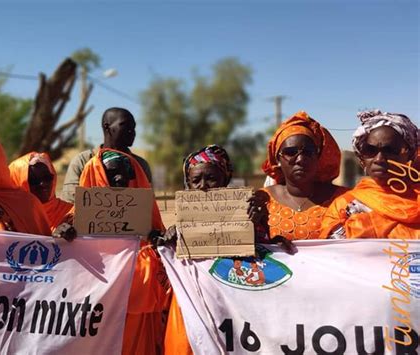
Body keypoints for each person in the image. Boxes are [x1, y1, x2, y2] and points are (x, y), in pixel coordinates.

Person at [164, 144, 264, 355]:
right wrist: (169, 240)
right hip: (192, 305)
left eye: (211, 178)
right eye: (195, 181)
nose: (203, 186)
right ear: (187, 184)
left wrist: (252, 228)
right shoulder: (180, 222)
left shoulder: (246, 211)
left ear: (225, 179)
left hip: (231, 305)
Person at [79, 148, 168, 355]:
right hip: (98, 314)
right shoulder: (74, 222)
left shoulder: (149, 220)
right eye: (111, 173)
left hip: (138, 317)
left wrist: (160, 245)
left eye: (125, 173)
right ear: (97, 175)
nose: (119, 178)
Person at [320, 110, 420, 238]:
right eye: (370, 150)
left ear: (409, 155)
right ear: (362, 159)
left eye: (389, 150)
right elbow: (329, 255)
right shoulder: (344, 205)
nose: (379, 159)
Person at [257, 111, 348, 240]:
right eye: (290, 152)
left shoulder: (345, 200)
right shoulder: (263, 200)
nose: (300, 159)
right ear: (278, 158)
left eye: (308, 152)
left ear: (318, 157)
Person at [61, 107, 152, 203]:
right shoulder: (82, 161)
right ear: (107, 127)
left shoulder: (141, 165)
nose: (132, 131)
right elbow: (70, 203)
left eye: (133, 127)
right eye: (125, 126)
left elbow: (147, 205)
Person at [9, 152, 74, 236]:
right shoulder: (7, 218)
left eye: (47, 178)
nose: (43, 184)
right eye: (34, 180)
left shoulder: (71, 213)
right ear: (17, 184)